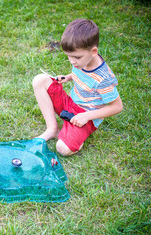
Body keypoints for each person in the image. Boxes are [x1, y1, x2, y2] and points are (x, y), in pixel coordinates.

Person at [32, 19, 123, 156]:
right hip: (70, 104)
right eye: (68, 56)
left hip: (85, 117)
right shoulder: (82, 61)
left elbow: (117, 106)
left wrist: (86, 116)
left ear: (93, 51)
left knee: (62, 148)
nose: (72, 61)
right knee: (40, 80)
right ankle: (52, 129)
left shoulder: (103, 79)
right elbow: (81, 74)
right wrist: (68, 77)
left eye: (76, 57)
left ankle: (75, 138)